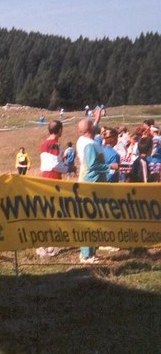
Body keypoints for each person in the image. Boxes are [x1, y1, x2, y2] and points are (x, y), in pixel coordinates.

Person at [76, 112, 118, 263]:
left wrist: (96, 119)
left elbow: (90, 128)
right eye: (93, 126)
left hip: (92, 184)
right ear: (90, 130)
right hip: (91, 184)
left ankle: (91, 252)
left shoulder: (83, 140)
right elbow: (93, 165)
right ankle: (86, 254)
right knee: (90, 220)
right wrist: (110, 167)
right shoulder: (89, 145)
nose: (97, 128)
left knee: (93, 219)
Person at [37, 120, 67, 257]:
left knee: (47, 212)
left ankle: (45, 243)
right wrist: (68, 168)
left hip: (45, 177)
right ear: (59, 130)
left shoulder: (44, 144)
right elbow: (55, 165)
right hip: (53, 178)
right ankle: (50, 244)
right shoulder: (54, 144)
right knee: (54, 212)